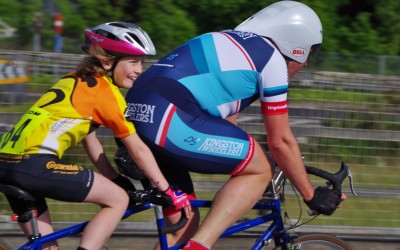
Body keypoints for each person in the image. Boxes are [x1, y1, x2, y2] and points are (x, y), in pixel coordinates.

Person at [123, 1, 346, 249]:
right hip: (169, 118)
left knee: (182, 229)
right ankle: (200, 246)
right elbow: (281, 141)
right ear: (296, 47)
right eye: (310, 53)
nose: (305, 63)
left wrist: (271, 164)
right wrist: (311, 195)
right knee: (259, 168)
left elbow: (226, 130)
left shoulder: (226, 40)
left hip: (137, 115)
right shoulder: (271, 59)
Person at [0, 22, 190, 250]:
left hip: (6, 163)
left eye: (141, 62)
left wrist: (114, 178)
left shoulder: (73, 80)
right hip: (35, 164)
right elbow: (137, 148)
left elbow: (89, 138)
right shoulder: (105, 92)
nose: (139, 69)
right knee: (117, 200)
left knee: (47, 247)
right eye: (132, 61)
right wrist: (166, 189)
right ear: (108, 62)